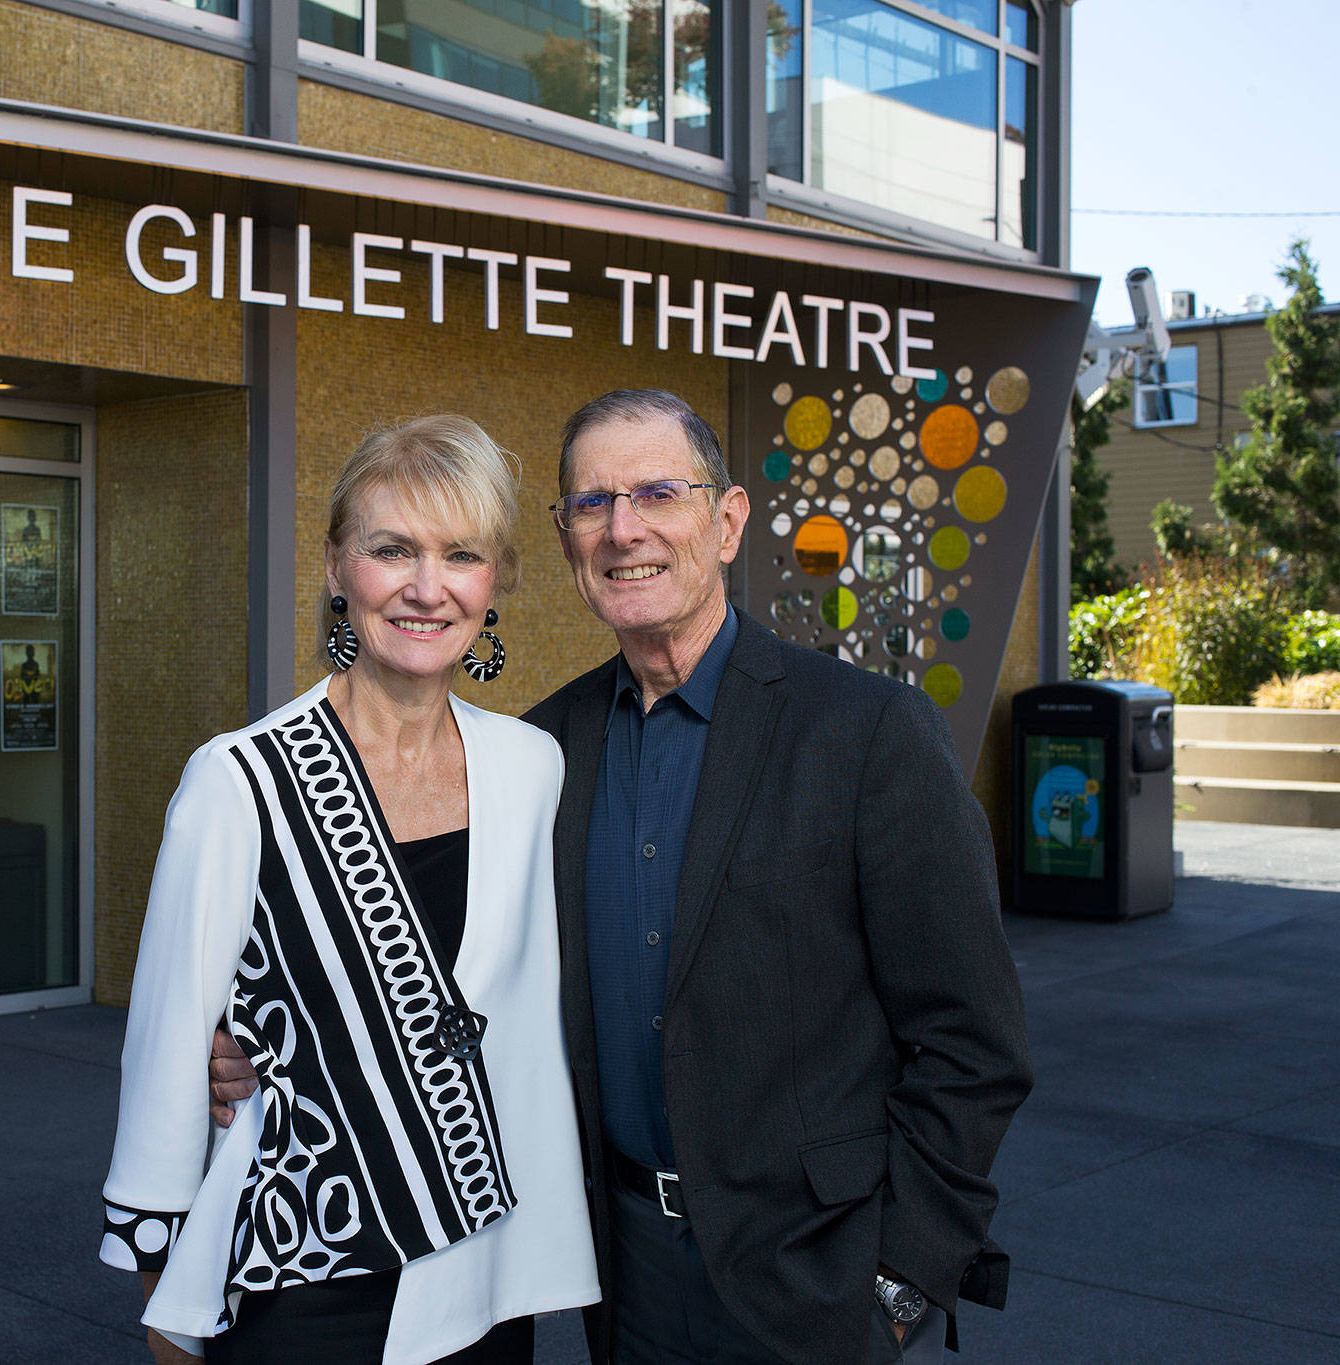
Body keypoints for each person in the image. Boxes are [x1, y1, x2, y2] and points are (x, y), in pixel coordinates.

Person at [214, 390, 1032, 1365]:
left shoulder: (864, 734)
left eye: (655, 493)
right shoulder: (538, 753)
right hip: (622, 1272)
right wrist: (263, 1050)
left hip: (813, 1280)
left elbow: (969, 1042)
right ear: (564, 539)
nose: (623, 528)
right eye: (592, 503)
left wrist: (900, 1279)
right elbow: (452, 994)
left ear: (725, 522)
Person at [102, 415, 599, 1365]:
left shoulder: (531, 768)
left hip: (483, 1270)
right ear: (337, 568)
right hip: (301, 1273)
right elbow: (168, 1042)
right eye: (391, 550)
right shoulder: (238, 779)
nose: (426, 587)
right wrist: (164, 1282)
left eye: (461, 554)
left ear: (495, 581)